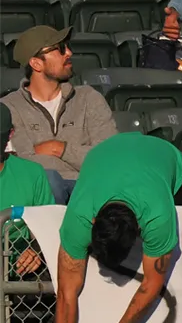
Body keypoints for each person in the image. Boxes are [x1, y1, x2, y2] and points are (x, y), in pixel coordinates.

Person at [47, 133, 182, 323]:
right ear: (92, 223)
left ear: (140, 231)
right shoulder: (78, 218)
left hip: (163, 157)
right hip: (105, 155)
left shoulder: (157, 217)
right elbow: (67, 292)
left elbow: (152, 282)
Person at [1, 26, 117, 204]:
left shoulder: (89, 98)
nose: (69, 53)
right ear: (36, 63)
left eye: (68, 46)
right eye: (60, 49)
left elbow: (109, 158)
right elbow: (24, 163)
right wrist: (81, 157)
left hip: (89, 188)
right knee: (50, 180)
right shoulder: (9, 107)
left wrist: (58, 148)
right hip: (42, 191)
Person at [0, 103, 54, 277]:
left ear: (10, 135)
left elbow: (48, 227)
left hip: (20, 270)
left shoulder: (32, 174)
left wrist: (36, 250)